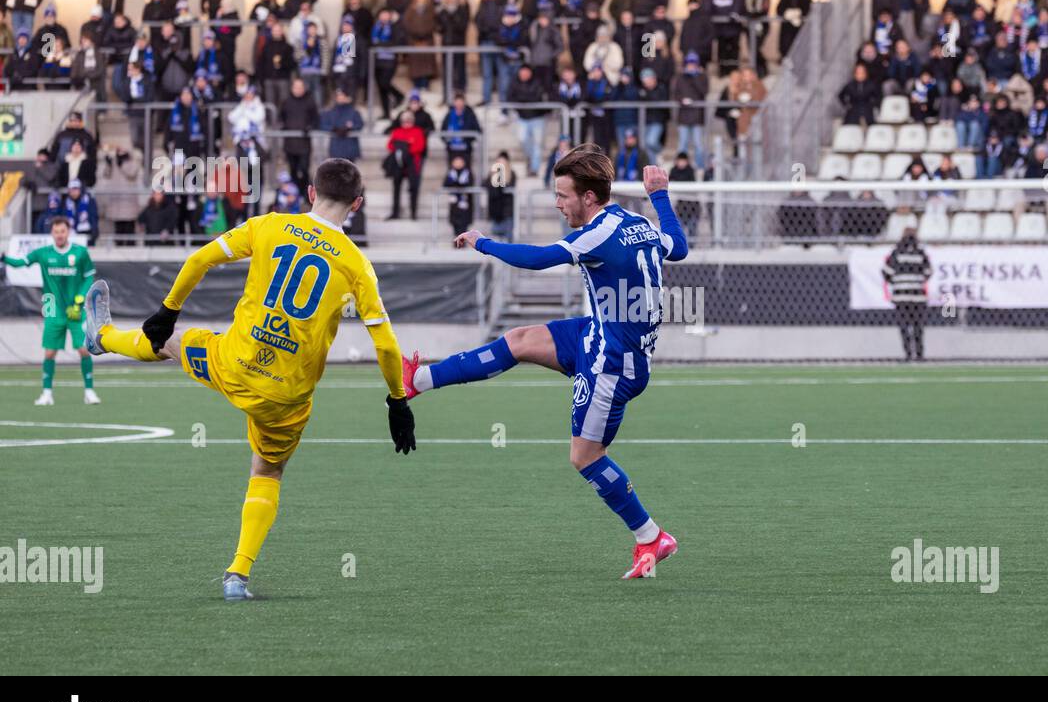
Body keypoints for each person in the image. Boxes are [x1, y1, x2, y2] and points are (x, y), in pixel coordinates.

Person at [84, 159, 415, 601]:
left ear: (310, 193)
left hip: (232, 363)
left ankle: (103, 337)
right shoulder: (358, 266)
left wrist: (168, 309)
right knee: (268, 470)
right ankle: (237, 576)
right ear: (357, 204)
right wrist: (397, 401)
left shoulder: (268, 225)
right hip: (285, 397)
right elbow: (387, 346)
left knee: (171, 341)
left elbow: (200, 258)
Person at [401, 149, 687, 579]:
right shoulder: (637, 222)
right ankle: (419, 380)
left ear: (589, 197)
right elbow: (678, 248)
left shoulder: (595, 235)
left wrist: (483, 242)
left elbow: (537, 260)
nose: (557, 203)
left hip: (611, 362)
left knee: (585, 458)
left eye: (562, 195)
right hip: (598, 332)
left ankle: (650, 536)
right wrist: (660, 196)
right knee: (517, 341)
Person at [1, 216, 100, 405]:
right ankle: (46, 393)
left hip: (75, 310)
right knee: (49, 353)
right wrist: (4, 258)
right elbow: (20, 262)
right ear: (52, 233)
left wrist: (79, 299)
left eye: (62, 231)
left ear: (68, 232)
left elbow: (89, 277)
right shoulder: (43, 253)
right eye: (56, 232)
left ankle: (89, 392)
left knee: (84, 350)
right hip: (53, 309)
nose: (59, 235)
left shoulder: (80, 253)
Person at [882, 228, 932, 362]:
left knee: (904, 326)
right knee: (918, 327)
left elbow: (886, 272)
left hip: (901, 296)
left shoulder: (896, 253)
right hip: (918, 296)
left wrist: (899, 281)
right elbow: (928, 272)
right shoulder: (921, 253)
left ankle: (908, 354)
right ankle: (919, 354)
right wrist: (916, 280)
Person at [386, 110, 426, 220]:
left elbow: (420, 146)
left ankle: (413, 213)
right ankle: (395, 212)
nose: (406, 123)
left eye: (408, 121)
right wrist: (403, 147)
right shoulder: (397, 131)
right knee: (396, 188)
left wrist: (405, 149)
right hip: (398, 164)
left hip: (412, 163)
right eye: (404, 121)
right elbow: (390, 145)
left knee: (413, 188)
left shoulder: (417, 131)